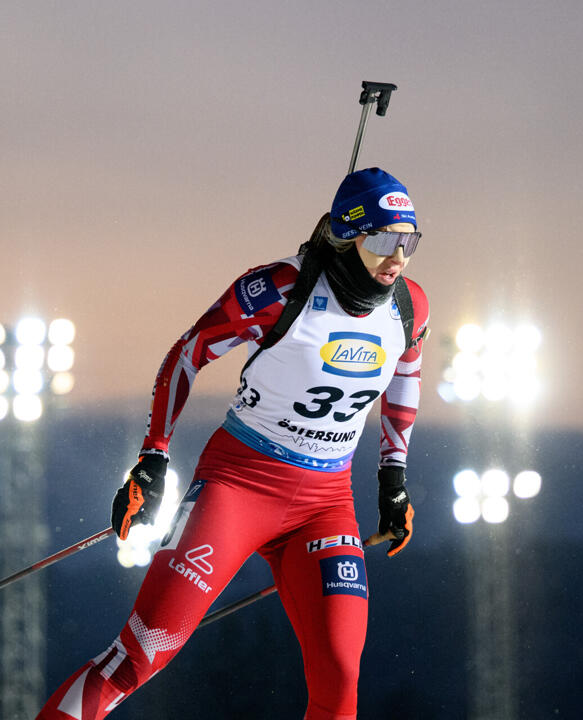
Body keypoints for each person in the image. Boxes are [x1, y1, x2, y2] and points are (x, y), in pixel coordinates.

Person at [38, 167, 429, 720]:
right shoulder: (279, 289)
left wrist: (393, 479)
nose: (397, 258)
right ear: (347, 235)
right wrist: (153, 457)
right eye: (384, 240)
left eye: (409, 242)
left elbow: (406, 377)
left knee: (340, 680)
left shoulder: (409, 305)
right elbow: (187, 354)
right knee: (138, 658)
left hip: (326, 504)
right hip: (239, 486)